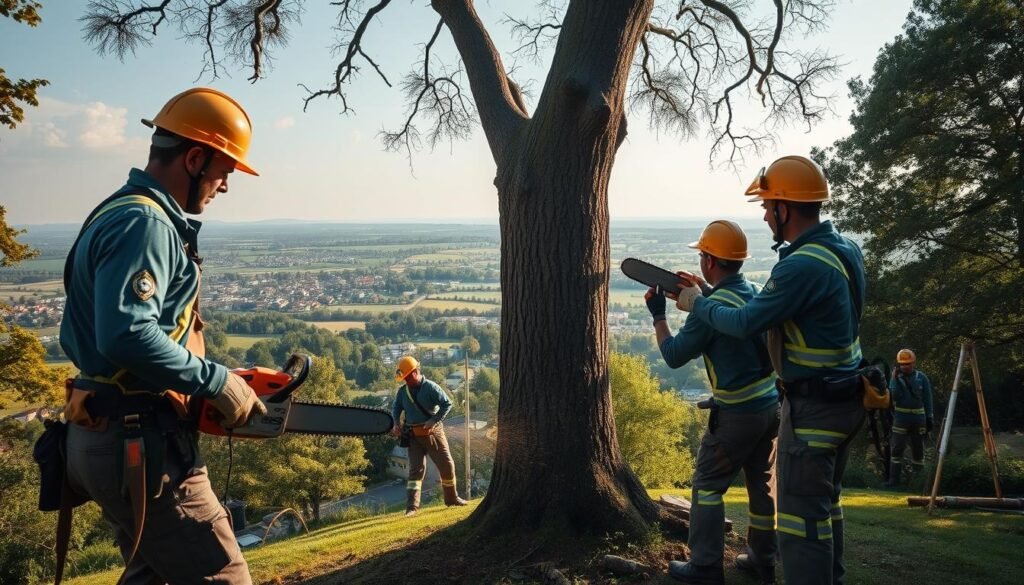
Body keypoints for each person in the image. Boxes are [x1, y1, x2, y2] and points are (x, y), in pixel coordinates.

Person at [59, 87, 265, 584]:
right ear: (194, 158)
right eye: (224, 171)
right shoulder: (145, 223)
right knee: (223, 577)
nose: (225, 185)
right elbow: (127, 333)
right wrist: (215, 381)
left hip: (111, 433)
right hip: (140, 444)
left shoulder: (121, 210)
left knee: (150, 574)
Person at [674, 156, 867, 585]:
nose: (764, 215)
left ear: (784, 208)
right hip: (848, 393)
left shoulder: (800, 265)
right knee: (826, 504)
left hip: (815, 406)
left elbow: (744, 323)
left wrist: (698, 303)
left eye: (767, 206)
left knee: (802, 519)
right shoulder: (843, 249)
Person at [647, 220, 780, 585]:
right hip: (770, 407)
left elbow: (674, 355)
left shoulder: (709, 312)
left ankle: (704, 566)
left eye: (703, 254)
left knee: (706, 486)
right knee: (762, 483)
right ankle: (763, 558)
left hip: (737, 414)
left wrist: (659, 315)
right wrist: (702, 292)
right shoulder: (754, 292)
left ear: (708, 260)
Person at [389, 355, 468, 516]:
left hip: (433, 432)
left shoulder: (431, 387)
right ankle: (411, 508)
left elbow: (447, 404)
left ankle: (452, 498)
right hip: (413, 435)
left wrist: (434, 420)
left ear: (415, 372)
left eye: (408, 377)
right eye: (404, 378)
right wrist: (396, 423)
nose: (406, 381)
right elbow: (396, 408)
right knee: (415, 471)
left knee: (446, 465)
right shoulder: (403, 392)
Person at [884, 349, 934, 487]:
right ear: (898, 365)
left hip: (919, 419)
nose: (905, 367)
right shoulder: (895, 379)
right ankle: (894, 481)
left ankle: (917, 482)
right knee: (897, 448)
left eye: (908, 364)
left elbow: (928, 399)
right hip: (901, 418)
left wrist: (930, 418)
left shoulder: (921, 377)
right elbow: (894, 396)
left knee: (918, 450)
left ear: (913, 363)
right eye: (902, 364)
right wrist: (895, 379)